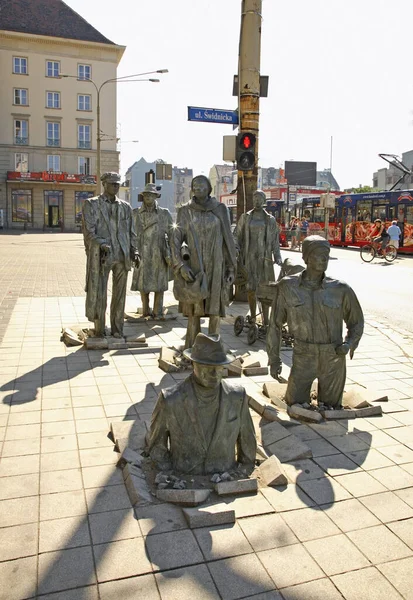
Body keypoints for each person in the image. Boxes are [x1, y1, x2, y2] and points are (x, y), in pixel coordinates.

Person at [267, 235, 364, 410]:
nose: (324, 259)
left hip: (333, 356)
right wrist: (274, 359)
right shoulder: (288, 287)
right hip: (304, 356)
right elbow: (274, 325)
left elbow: (356, 322)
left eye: (326, 255)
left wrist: (349, 344)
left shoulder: (341, 289)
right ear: (306, 257)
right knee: (294, 403)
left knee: (332, 407)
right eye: (318, 254)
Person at [147, 333, 257, 474]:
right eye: (207, 367)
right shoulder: (170, 400)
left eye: (219, 367)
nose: (214, 373)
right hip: (185, 475)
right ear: (194, 364)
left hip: (224, 472)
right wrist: (170, 475)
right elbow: (156, 446)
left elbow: (247, 441)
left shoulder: (237, 397)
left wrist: (242, 472)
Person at [171, 175, 237, 349]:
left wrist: (230, 268)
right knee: (194, 311)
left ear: (209, 188)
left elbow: (228, 241)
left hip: (217, 266)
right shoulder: (185, 211)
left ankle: (214, 348)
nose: (198, 188)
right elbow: (175, 240)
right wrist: (180, 265)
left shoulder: (221, 209)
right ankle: (192, 347)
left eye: (202, 186)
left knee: (215, 309)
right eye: (195, 186)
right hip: (194, 266)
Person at [82, 172, 138, 338]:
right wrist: (101, 244)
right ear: (104, 184)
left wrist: (134, 250)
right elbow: (88, 232)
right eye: (112, 183)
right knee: (100, 293)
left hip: (122, 255)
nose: (115, 186)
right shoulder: (91, 204)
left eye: (117, 184)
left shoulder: (126, 207)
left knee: (120, 296)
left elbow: (132, 232)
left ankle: (117, 329)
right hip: (103, 256)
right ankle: (100, 328)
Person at [235, 189, 282, 327]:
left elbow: (275, 241)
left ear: (264, 201)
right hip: (249, 257)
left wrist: (277, 256)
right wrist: (237, 249)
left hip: (265, 259)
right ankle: (253, 317)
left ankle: (266, 320)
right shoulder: (246, 217)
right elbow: (237, 236)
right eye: (254, 198)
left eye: (259, 198)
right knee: (251, 288)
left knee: (266, 290)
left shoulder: (270, 219)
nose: (256, 201)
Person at [131, 183, 173, 319]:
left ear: (156, 196)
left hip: (158, 252)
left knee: (159, 284)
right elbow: (130, 234)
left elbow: (173, 234)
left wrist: (171, 252)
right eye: (146, 194)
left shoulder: (164, 213)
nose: (148, 197)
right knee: (143, 285)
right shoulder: (135, 213)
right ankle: (145, 310)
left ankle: (158, 311)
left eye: (151, 194)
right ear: (143, 196)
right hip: (141, 252)